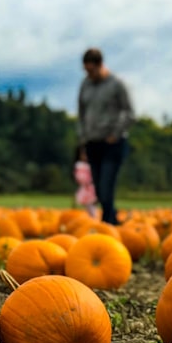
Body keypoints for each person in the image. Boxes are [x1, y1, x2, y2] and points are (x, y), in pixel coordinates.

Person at [76, 48, 134, 225]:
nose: (89, 74)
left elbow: (129, 113)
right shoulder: (85, 85)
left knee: (106, 186)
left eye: (91, 70)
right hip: (93, 143)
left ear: (100, 65)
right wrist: (83, 140)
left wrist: (115, 133)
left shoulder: (116, 84)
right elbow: (81, 114)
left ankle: (108, 225)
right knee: (99, 192)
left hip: (112, 143)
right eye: (86, 71)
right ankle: (113, 220)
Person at [72, 147, 98, 217]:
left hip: (91, 187)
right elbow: (79, 177)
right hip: (85, 187)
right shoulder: (80, 165)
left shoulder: (92, 165)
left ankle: (92, 216)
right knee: (86, 203)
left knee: (91, 203)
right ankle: (89, 216)